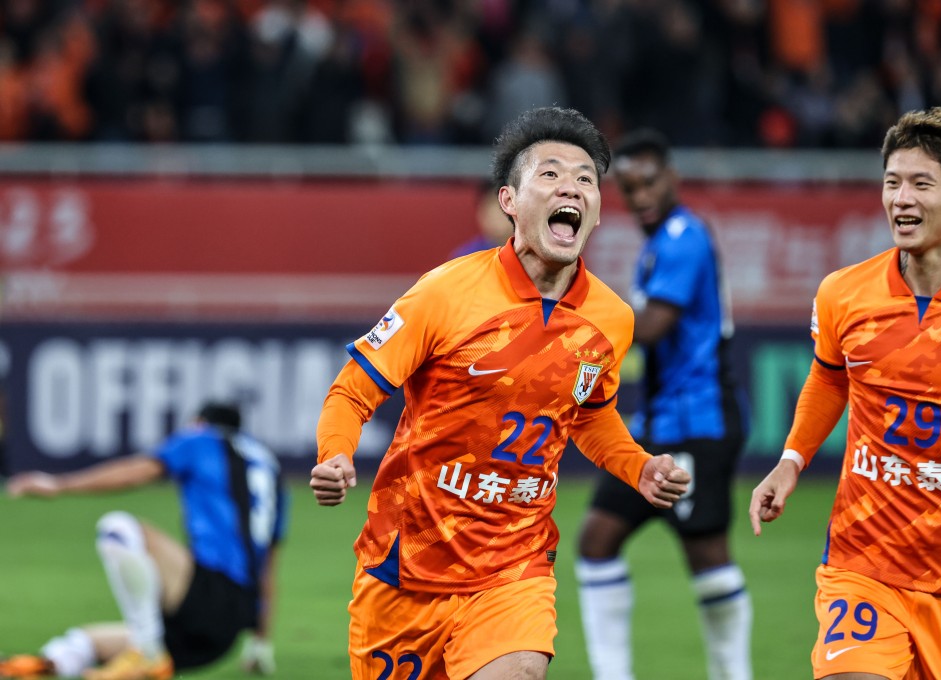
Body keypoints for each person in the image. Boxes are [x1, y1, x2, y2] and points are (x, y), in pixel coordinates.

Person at [309, 106, 691, 680]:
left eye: (586, 179)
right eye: (551, 174)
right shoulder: (445, 293)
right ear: (509, 202)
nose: (572, 187)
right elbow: (352, 391)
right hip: (405, 566)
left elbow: (588, 416)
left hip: (515, 568)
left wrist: (639, 467)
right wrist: (335, 452)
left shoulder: (611, 319)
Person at [749, 106, 941, 680]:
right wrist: (790, 462)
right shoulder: (844, 293)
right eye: (892, 182)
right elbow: (828, 376)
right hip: (862, 563)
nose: (901, 199)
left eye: (922, 184)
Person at [575, 128, 752, 680]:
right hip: (660, 424)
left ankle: (733, 673)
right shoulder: (660, 244)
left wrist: (578, 328)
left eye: (648, 182)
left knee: (707, 557)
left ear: (671, 177)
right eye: (628, 187)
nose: (640, 195)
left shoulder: (683, 238)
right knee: (597, 540)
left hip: (697, 420)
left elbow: (652, 325)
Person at [0, 402, 286, 680]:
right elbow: (268, 569)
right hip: (225, 634)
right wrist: (261, 641)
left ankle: (147, 653)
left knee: (119, 529)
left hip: (208, 596)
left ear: (199, 422)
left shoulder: (200, 439)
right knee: (85, 641)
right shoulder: (268, 467)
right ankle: (44, 665)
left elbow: (141, 470)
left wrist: (59, 484)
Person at [448, 180, 516, 258]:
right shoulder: (466, 257)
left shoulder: (529, 254)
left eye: (501, 207)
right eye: (489, 208)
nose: (496, 215)